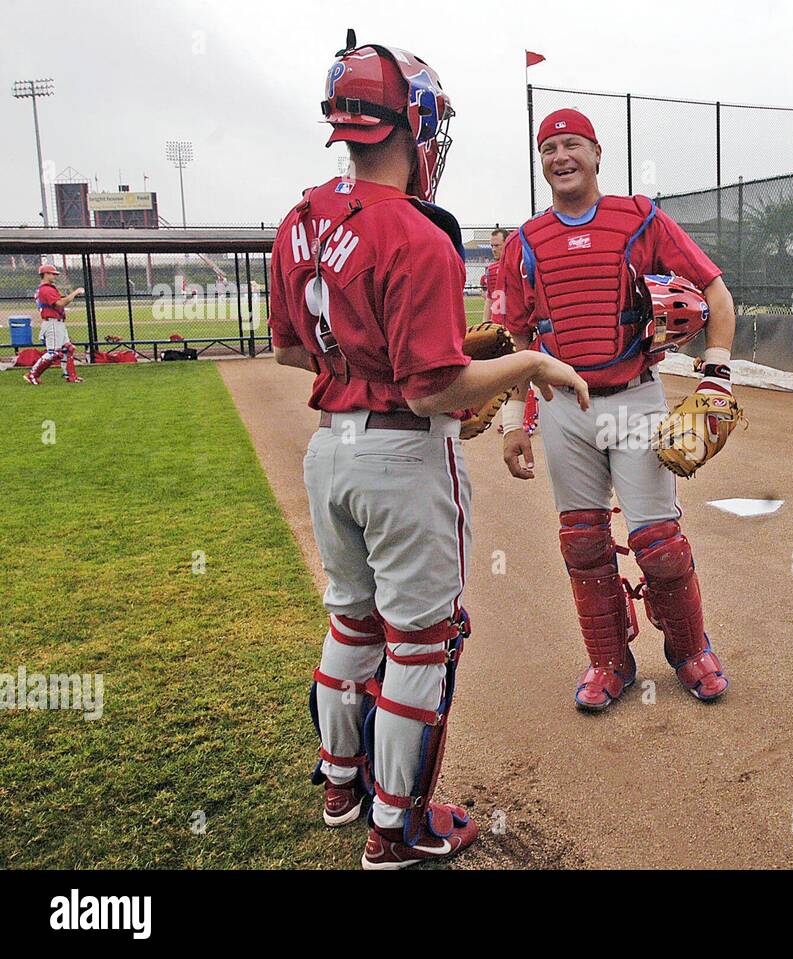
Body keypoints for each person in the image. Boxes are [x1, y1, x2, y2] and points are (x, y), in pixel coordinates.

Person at [269, 34, 588, 870]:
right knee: (420, 639)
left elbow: (295, 353)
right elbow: (432, 389)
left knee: (353, 619)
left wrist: (403, 360)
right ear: (411, 121)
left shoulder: (300, 217)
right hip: (403, 458)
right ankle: (397, 828)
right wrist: (528, 361)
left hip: (330, 450)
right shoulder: (419, 233)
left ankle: (341, 785)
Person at [499, 108, 738, 711]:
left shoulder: (639, 218)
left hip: (634, 398)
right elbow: (515, 342)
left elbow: (714, 291)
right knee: (582, 540)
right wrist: (513, 422)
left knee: (658, 540)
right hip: (561, 406)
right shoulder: (524, 241)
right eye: (549, 148)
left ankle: (689, 649)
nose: (561, 157)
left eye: (572, 145)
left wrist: (717, 372)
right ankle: (609, 660)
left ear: (597, 152)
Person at [25, 264, 85, 385]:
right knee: (53, 353)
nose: (54, 276)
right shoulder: (45, 289)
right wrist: (75, 293)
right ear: (45, 274)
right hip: (52, 322)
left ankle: (70, 376)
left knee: (68, 349)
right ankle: (32, 375)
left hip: (57, 323)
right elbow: (60, 303)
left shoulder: (46, 288)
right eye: (52, 273)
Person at [480, 227, 510, 323]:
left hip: (516, 324)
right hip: (497, 323)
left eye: (497, 245)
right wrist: (485, 323)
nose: (493, 249)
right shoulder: (491, 270)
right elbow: (489, 298)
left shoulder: (517, 265)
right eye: (492, 246)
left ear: (507, 243)